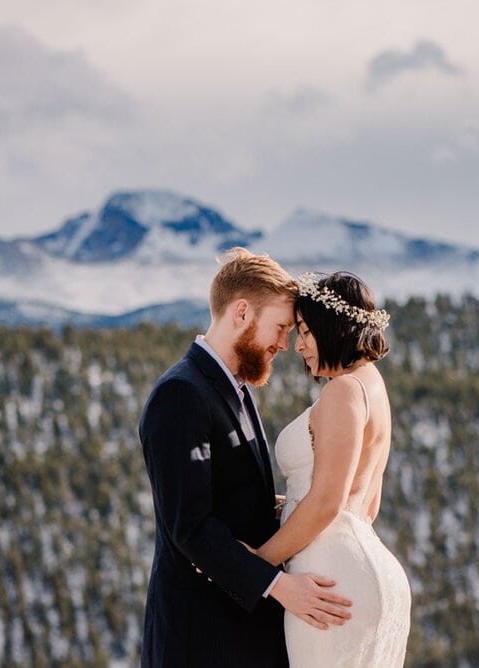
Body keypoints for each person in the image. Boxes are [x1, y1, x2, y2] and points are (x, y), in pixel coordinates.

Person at [138, 249, 353, 668]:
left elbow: (229, 495)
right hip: (199, 641)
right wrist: (279, 585)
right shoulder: (180, 395)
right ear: (241, 313)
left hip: (239, 635)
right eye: (280, 327)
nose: (285, 344)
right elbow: (192, 526)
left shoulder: (234, 389)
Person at [250, 271, 412, 667]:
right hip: (367, 570)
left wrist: (257, 562)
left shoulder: (342, 391)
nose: (298, 345)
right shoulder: (371, 386)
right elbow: (365, 506)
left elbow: (327, 502)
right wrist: (292, 505)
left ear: (332, 325)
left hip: (328, 579)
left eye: (304, 330)